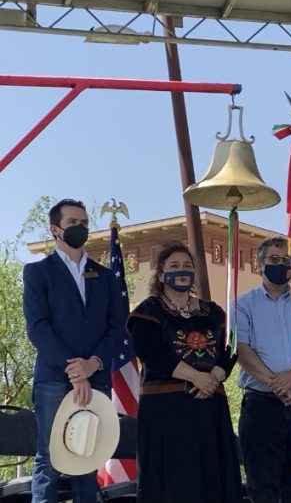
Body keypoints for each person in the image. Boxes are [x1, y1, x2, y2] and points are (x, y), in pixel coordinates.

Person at [23, 198, 128, 503]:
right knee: (49, 459)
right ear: (55, 229)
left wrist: (93, 364)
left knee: (88, 459)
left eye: (84, 223)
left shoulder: (106, 277)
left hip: (96, 378)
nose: (80, 228)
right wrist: (74, 370)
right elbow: (38, 327)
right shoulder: (38, 272)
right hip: (54, 379)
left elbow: (116, 327)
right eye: (73, 223)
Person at [128, 241, 242, 503]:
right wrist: (196, 377)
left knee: (212, 477)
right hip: (166, 411)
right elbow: (151, 353)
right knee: (174, 481)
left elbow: (231, 348)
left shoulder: (213, 312)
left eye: (188, 265)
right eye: (174, 266)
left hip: (209, 407)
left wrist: (213, 378)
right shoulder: (148, 312)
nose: (182, 270)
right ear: (160, 275)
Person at [237, 237, 291, 502]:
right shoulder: (243, 304)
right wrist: (277, 385)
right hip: (261, 408)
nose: (281, 265)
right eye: (274, 260)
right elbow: (242, 350)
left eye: (287, 260)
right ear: (260, 265)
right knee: (262, 489)